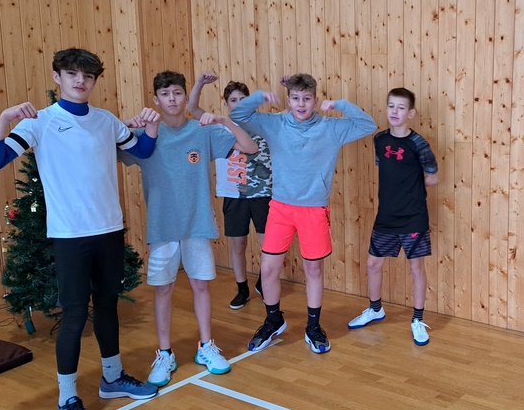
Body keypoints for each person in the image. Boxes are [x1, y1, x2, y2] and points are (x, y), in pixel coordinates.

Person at [0, 48, 159, 410]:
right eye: (73, 73)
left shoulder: (106, 120)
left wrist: (152, 125)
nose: (81, 81)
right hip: (70, 237)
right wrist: (4, 120)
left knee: (107, 306)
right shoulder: (39, 122)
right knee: (75, 315)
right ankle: (66, 401)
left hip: (108, 230)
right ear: (57, 77)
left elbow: (143, 151)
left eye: (88, 76)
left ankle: (112, 378)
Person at [120, 71, 259, 387]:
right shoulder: (145, 134)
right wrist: (126, 124)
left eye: (177, 93)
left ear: (186, 97)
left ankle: (206, 346)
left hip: (197, 224)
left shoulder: (202, 131)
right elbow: (108, 148)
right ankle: (165, 353)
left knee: (201, 286)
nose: (172, 99)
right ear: (155, 99)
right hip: (162, 226)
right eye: (165, 93)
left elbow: (249, 147)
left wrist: (223, 121)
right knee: (163, 289)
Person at [230, 73, 377, 354]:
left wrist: (341, 105)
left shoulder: (330, 128)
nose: (301, 104)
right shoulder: (274, 124)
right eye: (296, 98)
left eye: (306, 99)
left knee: (313, 269)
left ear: (315, 100)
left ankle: (313, 327)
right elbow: (238, 114)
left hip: (313, 209)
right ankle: (273, 320)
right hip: (280, 208)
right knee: (268, 268)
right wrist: (259, 97)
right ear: (288, 100)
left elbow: (368, 125)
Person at [347, 88, 439, 345]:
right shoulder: (379, 140)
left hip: (413, 216)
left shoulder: (419, 144)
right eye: (391, 106)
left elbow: (433, 178)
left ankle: (418, 320)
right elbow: (385, 169)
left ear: (411, 113)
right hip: (386, 216)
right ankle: (375, 309)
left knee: (416, 268)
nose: (395, 111)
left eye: (401, 107)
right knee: (373, 264)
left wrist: (410, 187)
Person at [187, 72, 273, 310]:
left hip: (263, 193)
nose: (238, 103)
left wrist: (287, 89)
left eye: (243, 99)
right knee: (238, 245)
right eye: (233, 100)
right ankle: (242, 288)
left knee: (269, 246)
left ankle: (264, 282)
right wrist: (199, 83)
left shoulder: (265, 124)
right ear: (226, 104)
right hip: (234, 195)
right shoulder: (219, 125)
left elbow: (290, 114)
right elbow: (192, 108)